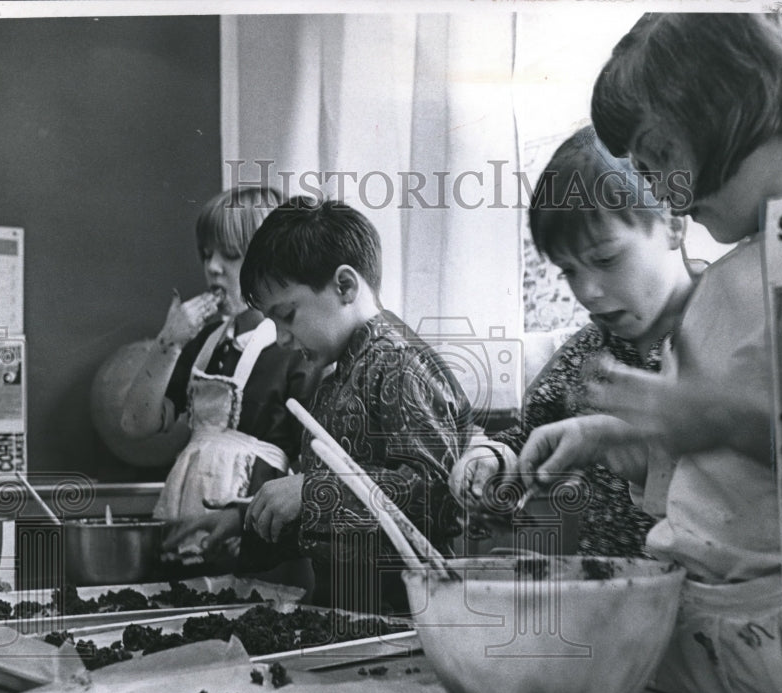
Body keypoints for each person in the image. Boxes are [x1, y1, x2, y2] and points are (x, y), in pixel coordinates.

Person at [519, 12, 782, 693]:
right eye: (641, 171)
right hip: (700, 623)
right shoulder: (723, 284)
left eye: (658, 154)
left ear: (735, 101)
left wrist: (721, 420)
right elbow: (707, 483)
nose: (664, 192)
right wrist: (619, 438)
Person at [448, 128, 696, 557]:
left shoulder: (720, 330)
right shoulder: (586, 353)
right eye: (569, 271)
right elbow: (526, 436)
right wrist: (491, 458)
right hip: (604, 598)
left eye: (605, 259)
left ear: (673, 223)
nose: (589, 292)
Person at [237, 196, 473, 615]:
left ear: (345, 286)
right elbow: (340, 522)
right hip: (348, 617)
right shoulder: (336, 374)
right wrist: (252, 521)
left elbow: (435, 497)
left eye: (288, 315)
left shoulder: (401, 364)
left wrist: (310, 493)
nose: (281, 339)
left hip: (407, 618)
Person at [120, 186, 321, 583]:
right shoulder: (202, 342)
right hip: (188, 518)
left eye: (229, 255)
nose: (212, 267)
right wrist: (169, 342)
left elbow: (308, 468)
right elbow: (135, 424)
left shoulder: (295, 350)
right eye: (206, 253)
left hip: (255, 542)